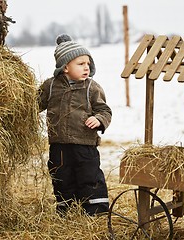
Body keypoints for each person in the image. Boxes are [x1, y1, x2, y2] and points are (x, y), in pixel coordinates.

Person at [38, 34, 112, 216]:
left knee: (90, 177)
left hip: (84, 145)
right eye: (80, 64)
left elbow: (104, 110)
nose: (86, 67)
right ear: (65, 67)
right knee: (61, 177)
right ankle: (67, 210)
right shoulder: (51, 86)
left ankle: (96, 211)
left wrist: (99, 120)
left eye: (88, 63)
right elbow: (35, 103)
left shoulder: (91, 88)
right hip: (59, 144)